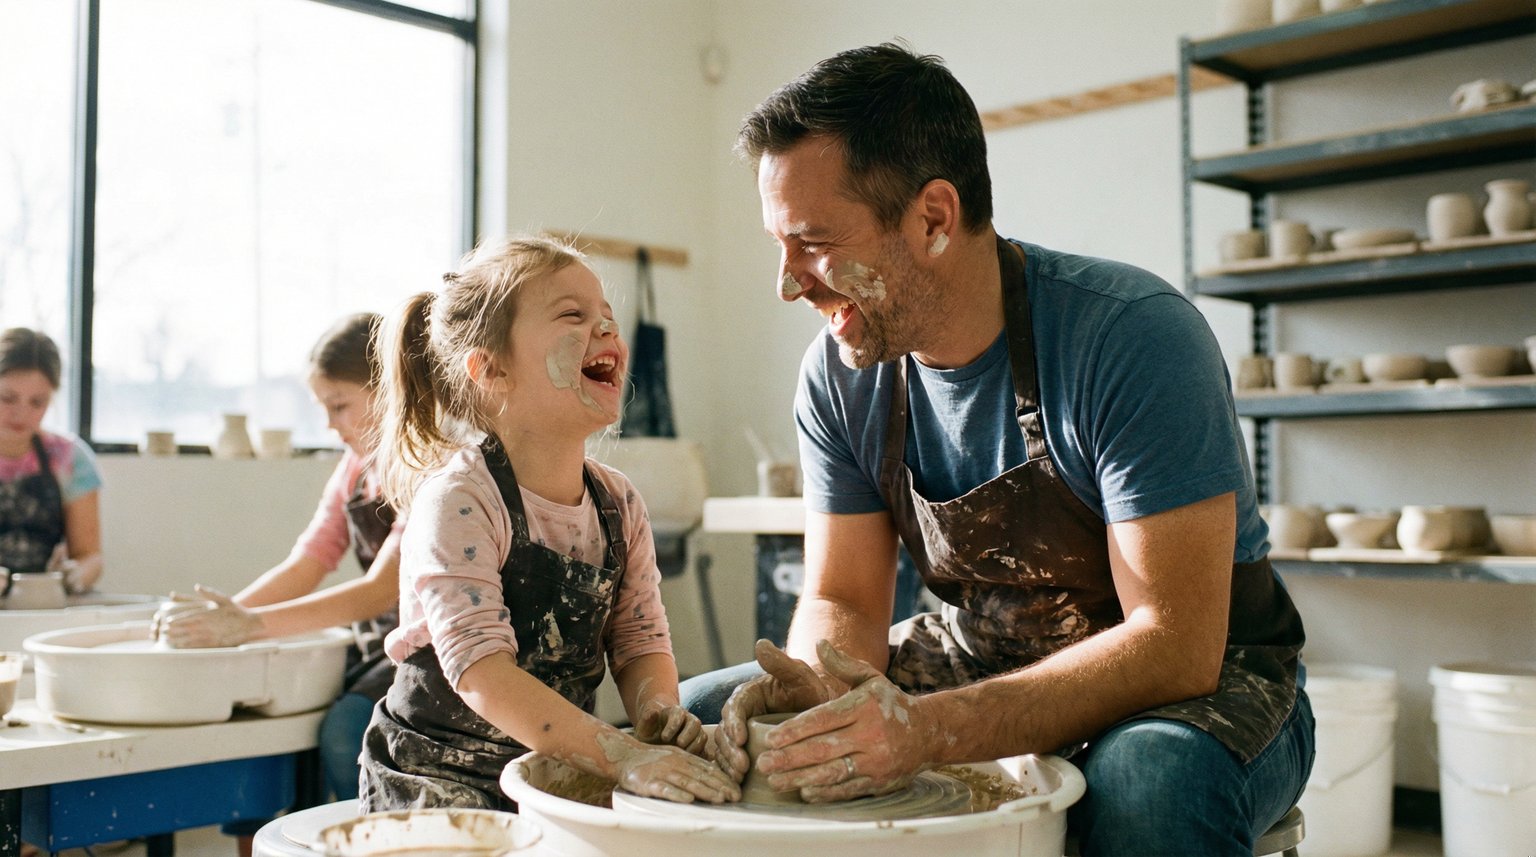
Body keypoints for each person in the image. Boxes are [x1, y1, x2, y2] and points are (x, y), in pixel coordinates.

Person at [681, 43, 1313, 856]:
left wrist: (927, 731)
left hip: (1202, 683)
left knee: (1147, 782)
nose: (788, 281)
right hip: (980, 655)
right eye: (780, 244)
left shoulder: (1131, 336)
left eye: (813, 241)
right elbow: (846, 598)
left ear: (933, 219)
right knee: (698, 716)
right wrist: (818, 695)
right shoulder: (841, 373)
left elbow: (1173, 644)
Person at [357, 235, 738, 811]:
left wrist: (657, 714)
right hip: (434, 778)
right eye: (573, 315)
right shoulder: (460, 501)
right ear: (491, 369)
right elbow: (481, 672)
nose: (606, 328)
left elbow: (639, 642)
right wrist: (623, 756)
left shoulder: (619, 503)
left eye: (607, 316)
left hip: (555, 770)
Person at [154, 313, 403, 813]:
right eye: (323, 409)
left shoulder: (431, 463)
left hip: (437, 642)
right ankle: (287, 834)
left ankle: (368, 836)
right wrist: (222, 615)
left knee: (345, 731)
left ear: (391, 389)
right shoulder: (354, 469)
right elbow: (307, 562)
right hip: (378, 640)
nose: (330, 425)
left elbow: (381, 590)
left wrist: (246, 626)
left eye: (340, 405)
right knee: (263, 713)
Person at [0, 327, 102, 594]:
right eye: (7, 398)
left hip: (44, 600)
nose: (20, 413)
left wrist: (76, 574)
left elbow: (90, 556)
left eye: (37, 402)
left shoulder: (70, 459)